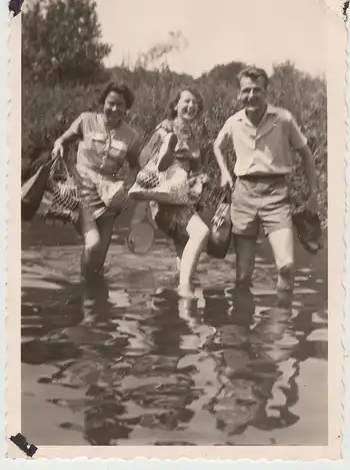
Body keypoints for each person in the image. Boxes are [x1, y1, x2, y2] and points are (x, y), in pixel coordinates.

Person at [213, 66, 318, 301]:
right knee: (243, 275)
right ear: (239, 94)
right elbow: (217, 146)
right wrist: (224, 172)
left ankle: (279, 323)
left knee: (287, 266)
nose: (251, 96)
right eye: (246, 91)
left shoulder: (283, 118)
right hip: (243, 195)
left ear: (266, 91)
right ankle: (242, 327)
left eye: (257, 90)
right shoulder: (233, 122)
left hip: (276, 195)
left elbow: (306, 154)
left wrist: (313, 194)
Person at [51, 81, 141, 279]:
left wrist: (126, 188)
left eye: (120, 105)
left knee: (99, 256)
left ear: (127, 108)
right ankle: (85, 291)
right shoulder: (86, 120)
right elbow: (63, 140)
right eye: (111, 103)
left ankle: (92, 297)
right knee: (93, 243)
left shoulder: (132, 136)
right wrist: (59, 146)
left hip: (109, 195)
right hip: (80, 188)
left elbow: (135, 166)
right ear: (103, 102)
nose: (115, 108)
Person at [137, 87, 210, 298]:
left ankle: (180, 308)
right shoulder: (164, 130)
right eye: (186, 101)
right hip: (164, 201)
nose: (191, 105)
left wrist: (201, 179)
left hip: (184, 200)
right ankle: (185, 290)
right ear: (175, 105)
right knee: (201, 233)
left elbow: (196, 170)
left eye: (195, 102)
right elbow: (143, 161)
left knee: (185, 250)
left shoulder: (193, 136)